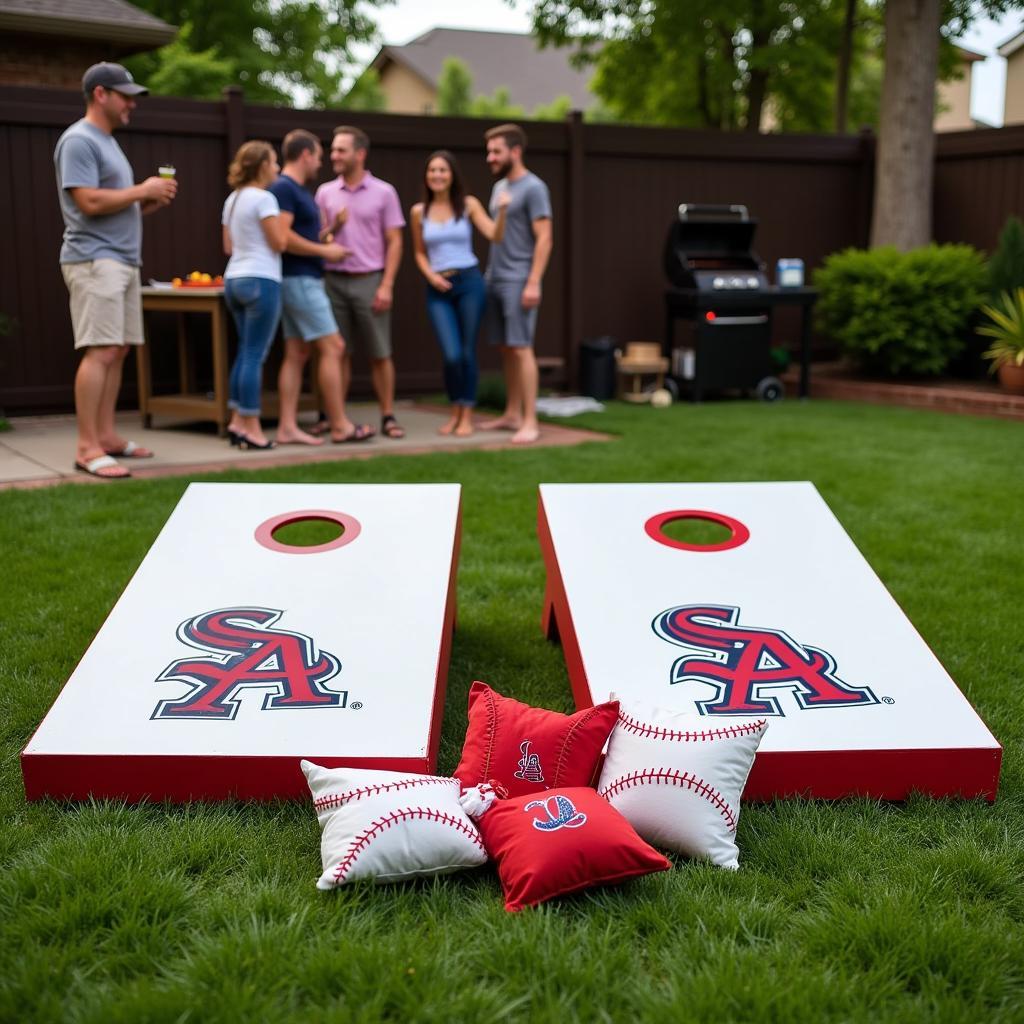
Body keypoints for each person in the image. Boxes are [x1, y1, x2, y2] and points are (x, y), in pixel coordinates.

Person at [54, 62, 177, 479]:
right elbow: (87, 202)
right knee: (101, 349)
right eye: (126, 96)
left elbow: (109, 204)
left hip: (121, 259)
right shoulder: (79, 140)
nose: (132, 104)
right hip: (93, 259)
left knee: (118, 349)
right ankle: (87, 448)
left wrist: (145, 203)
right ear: (101, 94)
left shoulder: (106, 142)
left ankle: (106, 437)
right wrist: (141, 189)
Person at [270, 129, 375, 445]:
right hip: (301, 280)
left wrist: (333, 231)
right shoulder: (285, 189)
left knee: (296, 352)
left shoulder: (297, 190)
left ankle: (287, 426)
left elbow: (304, 235)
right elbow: (283, 237)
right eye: (318, 154)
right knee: (334, 347)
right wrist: (325, 252)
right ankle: (340, 425)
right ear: (305, 155)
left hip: (298, 279)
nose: (322, 161)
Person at [315, 126, 407, 439]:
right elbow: (317, 239)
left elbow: (395, 240)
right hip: (333, 281)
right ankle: (336, 418)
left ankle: (388, 416)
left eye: (341, 150)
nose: (334, 156)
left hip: (370, 280)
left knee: (380, 353)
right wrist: (334, 227)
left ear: (360, 153)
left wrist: (387, 284)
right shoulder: (325, 192)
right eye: (333, 150)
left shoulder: (384, 192)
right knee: (336, 352)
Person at [410, 150, 510, 436]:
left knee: (466, 352)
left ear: (452, 175)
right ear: (426, 176)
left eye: (443, 170)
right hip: (437, 287)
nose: (437, 176)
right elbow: (419, 253)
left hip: (469, 283)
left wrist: (502, 211)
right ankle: (454, 410)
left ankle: (466, 413)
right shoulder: (419, 211)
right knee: (451, 354)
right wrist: (431, 276)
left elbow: (495, 235)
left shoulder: (467, 205)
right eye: (432, 171)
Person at [480, 124, 553, 446]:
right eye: (489, 151)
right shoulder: (499, 189)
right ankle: (511, 413)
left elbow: (545, 238)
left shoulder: (534, 188)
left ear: (515, 151)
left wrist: (533, 281)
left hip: (519, 278)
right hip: (494, 276)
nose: (490, 157)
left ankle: (530, 421)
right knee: (506, 348)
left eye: (496, 151)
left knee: (522, 348)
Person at [221, 140, 287, 449]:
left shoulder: (232, 200)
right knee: (254, 355)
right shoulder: (265, 199)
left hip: (234, 278)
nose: (277, 168)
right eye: (274, 162)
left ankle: (236, 422)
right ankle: (253, 428)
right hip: (262, 279)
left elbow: (228, 247)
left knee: (244, 352)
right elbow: (279, 243)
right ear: (262, 166)